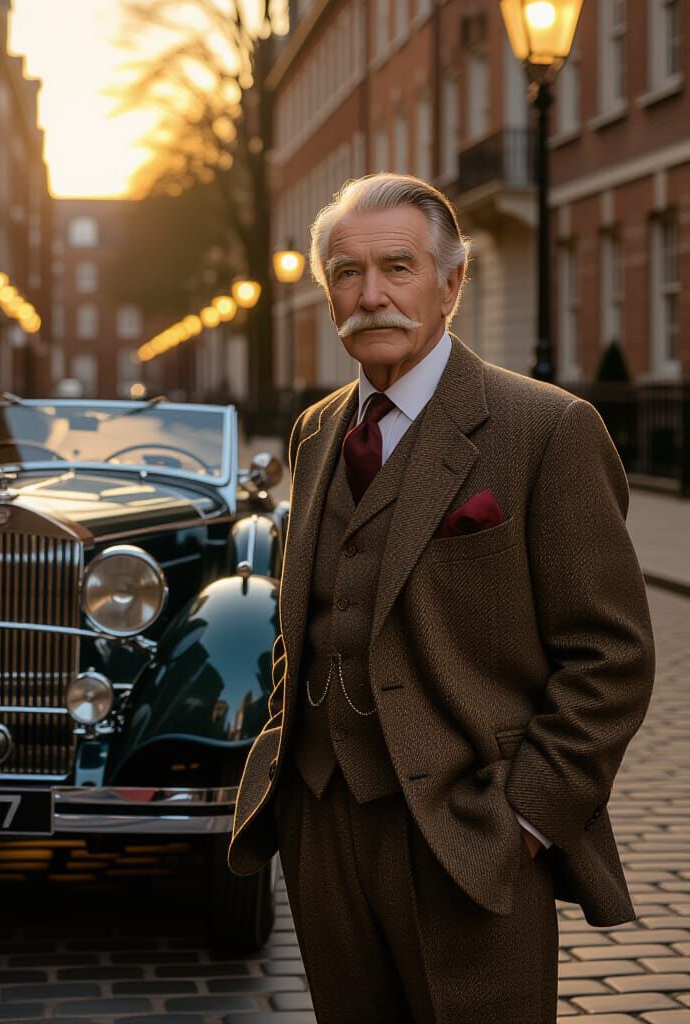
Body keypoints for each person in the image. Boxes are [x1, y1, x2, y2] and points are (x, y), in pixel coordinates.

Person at [228, 174, 655, 1024]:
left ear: (452, 283)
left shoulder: (546, 430)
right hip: (321, 819)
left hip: (467, 831)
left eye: (398, 267)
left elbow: (612, 660)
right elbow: (304, 625)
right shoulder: (316, 431)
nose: (371, 295)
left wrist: (526, 820)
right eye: (346, 273)